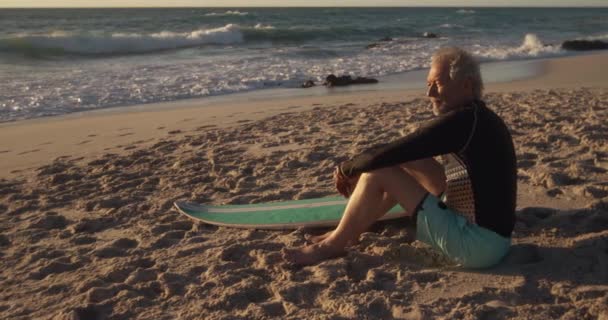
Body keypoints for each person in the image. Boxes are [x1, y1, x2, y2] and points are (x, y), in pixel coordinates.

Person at [282, 47, 517, 268]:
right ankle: (345, 233)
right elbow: (404, 153)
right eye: (428, 85)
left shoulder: (463, 122)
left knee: (379, 170)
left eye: (437, 84)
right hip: (494, 243)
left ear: (466, 85)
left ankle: (331, 245)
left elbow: (385, 155)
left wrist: (347, 169)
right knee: (409, 159)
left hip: (475, 247)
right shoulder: (478, 118)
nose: (429, 93)